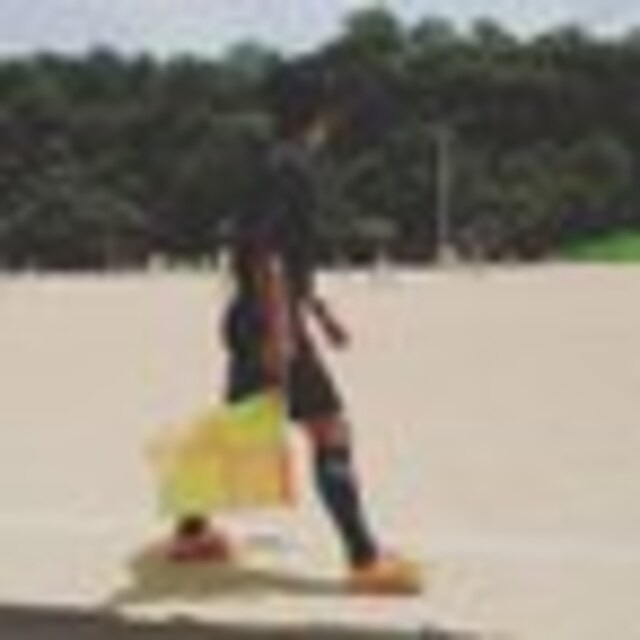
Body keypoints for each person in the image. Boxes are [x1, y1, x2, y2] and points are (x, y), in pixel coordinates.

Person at [167, 60, 420, 593]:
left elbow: (275, 253)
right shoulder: (293, 168)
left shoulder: (271, 163)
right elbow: (269, 255)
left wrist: (320, 312)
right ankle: (365, 560)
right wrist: (283, 335)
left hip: (251, 316)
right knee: (329, 427)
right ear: (322, 113)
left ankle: (190, 533)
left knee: (238, 429)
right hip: (269, 321)